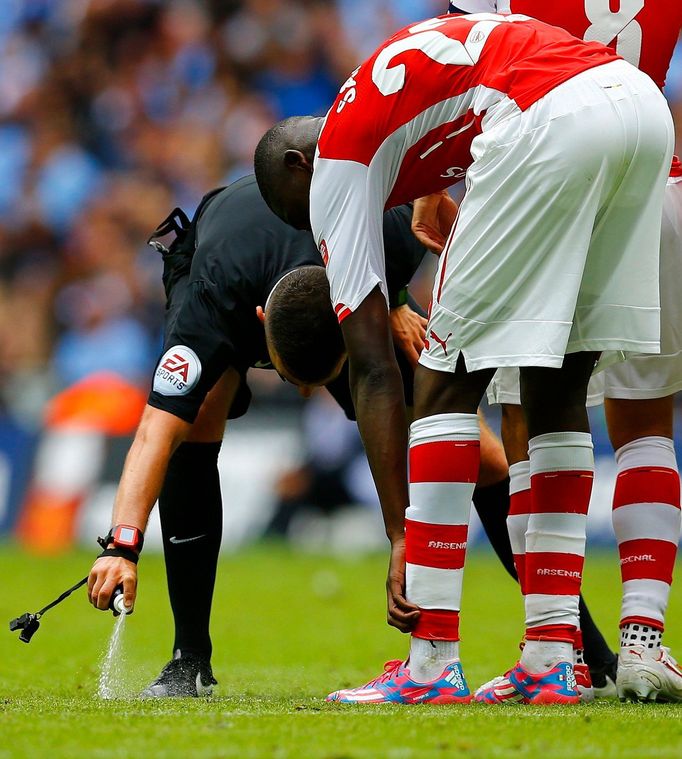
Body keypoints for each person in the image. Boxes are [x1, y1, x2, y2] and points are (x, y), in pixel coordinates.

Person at [254, 12, 673, 704]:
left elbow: (373, 369)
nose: (322, 236)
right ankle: (550, 655)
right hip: (638, 109)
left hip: (548, 117)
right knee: (557, 384)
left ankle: (430, 662)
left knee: (445, 381)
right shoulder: (383, 90)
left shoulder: (333, 162)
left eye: (307, 220)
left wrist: (399, 534)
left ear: (302, 166)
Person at [85, 174, 527, 697]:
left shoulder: (397, 232)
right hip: (227, 257)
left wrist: (394, 298)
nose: (300, 394)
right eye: (295, 382)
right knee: (196, 419)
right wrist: (122, 546)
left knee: (480, 455)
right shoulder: (209, 303)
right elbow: (153, 430)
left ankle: (569, 639)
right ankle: (190, 659)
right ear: (258, 324)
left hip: (356, 294)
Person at [411, 0, 682, 703]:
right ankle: (644, 641)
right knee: (647, 423)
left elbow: (458, 52)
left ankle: (552, 649)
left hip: (542, 170)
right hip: (657, 173)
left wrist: (434, 185)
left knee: (528, 416)